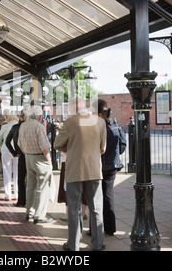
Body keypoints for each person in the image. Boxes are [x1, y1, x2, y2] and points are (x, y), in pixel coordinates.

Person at [54, 97, 107, 251]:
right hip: (95, 170)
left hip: (75, 170)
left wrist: (70, 149)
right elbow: (102, 148)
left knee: (74, 208)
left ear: (72, 107)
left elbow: (57, 144)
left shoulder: (70, 122)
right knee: (96, 208)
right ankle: (99, 244)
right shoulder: (100, 122)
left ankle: (74, 245)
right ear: (85, 106)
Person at [18, 105, 54, 224]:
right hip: (39, 158)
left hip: (28, 157)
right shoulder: (38, 126)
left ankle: (30, 211)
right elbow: (45, 147)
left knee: (31, 186)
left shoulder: (23, 125)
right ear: (39, 117)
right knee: (43, 187)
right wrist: (49, 162)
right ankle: (40, 215)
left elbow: (20, 144)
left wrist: (27, 153)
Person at [95, 99, 126, 236]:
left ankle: (96, 228)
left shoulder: (96, 128)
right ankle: (111, 227)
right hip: (112, 166)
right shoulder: (117, 127)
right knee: (108, 196)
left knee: (96, 197)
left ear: (99, 114)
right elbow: (122, 146)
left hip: (98, 166)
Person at [0, 115, 19, 201]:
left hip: (6, 150)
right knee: (17, 173)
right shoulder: (20, 126)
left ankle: (7, 195)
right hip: (18, 151)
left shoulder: (5, 126)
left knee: (6, 172)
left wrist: (2, 147)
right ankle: (17, 195)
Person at [6, 111, 27, 207]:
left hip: (20, 156)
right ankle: (29, 201)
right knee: (31, 180)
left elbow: (7, 142)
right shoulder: (28, 127)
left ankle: (21, 201)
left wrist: (14, 153)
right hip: (31, 155)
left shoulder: (15, 128)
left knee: (21, 179)